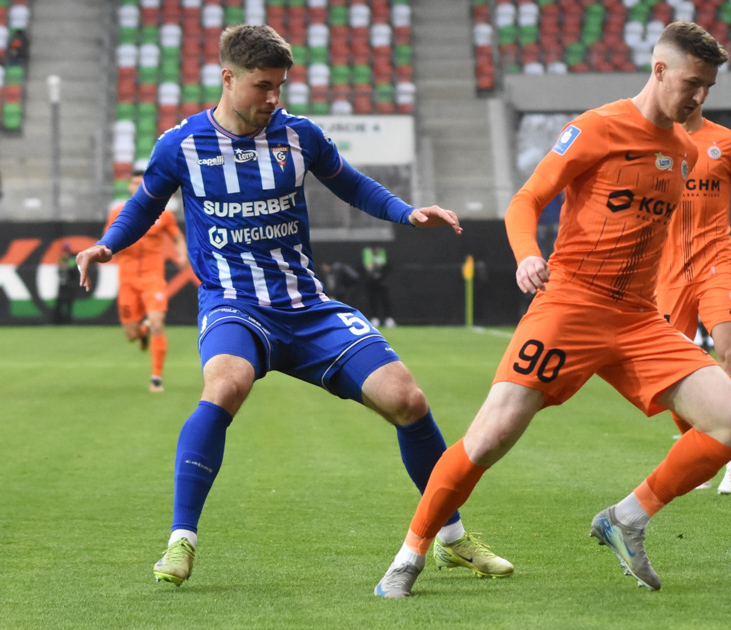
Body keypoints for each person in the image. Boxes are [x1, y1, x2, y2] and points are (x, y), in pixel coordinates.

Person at [76, 25, 509, 587]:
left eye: (280, 86)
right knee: (225, 384)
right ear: (227, 78)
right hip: (234, 303)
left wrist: (406, 212)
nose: (273, 97)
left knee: (407, 400)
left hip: (306, 306)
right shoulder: (180, 145)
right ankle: (181, 540)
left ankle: (450, 536)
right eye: (263, 86)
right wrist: (108, 245)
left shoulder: (299, 135)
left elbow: (352, 184)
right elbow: (143, 204)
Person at [376, 22, 731, 598]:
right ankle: (410, 555)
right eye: (691, 83)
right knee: (489, 438)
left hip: (638, 318)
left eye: (708, 88)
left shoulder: (684, 150)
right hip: (571, 303)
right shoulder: (596, 127)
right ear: (659, 71)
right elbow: (526, 199)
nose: (699, 97)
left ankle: (627, 518)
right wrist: (528, 254)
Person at [657, 104, 731, 495]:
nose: (693, 96)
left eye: (700, 88)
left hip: (718, 263)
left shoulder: (727, 141)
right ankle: (702, 453)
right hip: (668, 272)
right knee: (668, 368)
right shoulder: (652, 141)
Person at [105, 169, 189, 392]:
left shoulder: (163, 214)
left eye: (140, 183)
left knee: (157, 322)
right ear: (129, 187)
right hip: (127, 279)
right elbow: (108, 240)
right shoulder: (117, 213)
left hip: (153, 277)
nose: (137, 186)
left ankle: (156, 379)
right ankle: (142, 331)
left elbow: (177, 237)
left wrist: (182, 254)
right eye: (133, 183)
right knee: (131, 335)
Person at [362, 245, 394, 327]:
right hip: (371, 283)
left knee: (385, 300)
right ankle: (375, 318)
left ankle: (388, 318)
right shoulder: (367, 253)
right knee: (373, 300)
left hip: (382, 282)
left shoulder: (383, 253)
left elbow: (387, 266)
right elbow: (367, 267)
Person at [54, 242, 80, 324]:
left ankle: (68, 321)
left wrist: (66, 266)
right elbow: (59, 272)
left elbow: (74, 271)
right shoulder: (61, 260)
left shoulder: (72, 260)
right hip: (62, 285)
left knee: (69, 303)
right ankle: (59, 321)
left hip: (69, 286)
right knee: (60, 303)